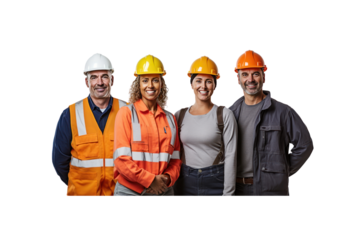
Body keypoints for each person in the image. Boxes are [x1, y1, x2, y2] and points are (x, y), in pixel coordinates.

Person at [229, 48, 314, 198]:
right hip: (236, 190)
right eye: (245, 74)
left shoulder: (283, 111)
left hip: (270, 191)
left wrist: (282, 170)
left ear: (264, 76)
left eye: (256, 73)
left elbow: (305, 145)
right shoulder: (230, 113)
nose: (251, 79)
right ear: (238, 79)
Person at [51, 51, 127, 198]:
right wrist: (79, 185)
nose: (100, 82)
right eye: (94, 77)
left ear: (112, 80)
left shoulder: (128, 111)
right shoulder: (70, 113)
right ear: (86, 82)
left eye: (105, 76)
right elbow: (59, 161)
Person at [113, 52, 181, 198]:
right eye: (145, 80)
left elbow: (175, 159)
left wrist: (168, 178)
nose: (150, 85)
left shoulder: (170, 118)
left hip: (163, 192)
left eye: (155, 80)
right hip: (131, 193)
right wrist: (150, 181)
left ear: (161, 83)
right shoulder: (126, 114)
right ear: (138, 84)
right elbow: (121, 160)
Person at [173, 54, 238, 198]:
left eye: (209, 81)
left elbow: (231, 157)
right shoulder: (179, 114)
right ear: (191, 84)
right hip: (185, 181)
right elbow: (172, 152)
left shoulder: (224, 114)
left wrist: (228, 194)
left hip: (216, 181)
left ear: (215, 85)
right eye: (199, 81)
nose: (203, 86)